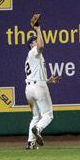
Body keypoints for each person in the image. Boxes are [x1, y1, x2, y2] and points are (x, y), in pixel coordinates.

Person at [24, 21, 60, 150]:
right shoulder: (34, 51)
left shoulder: (31, 58)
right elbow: (41, 46)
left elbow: (36, 75)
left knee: (35, 116)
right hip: (38, 88)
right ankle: (38, 129)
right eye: (34, 40)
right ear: (31, 44)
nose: (37, 41)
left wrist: (49, 80)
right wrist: (38, 29)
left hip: (29, 89)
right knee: (48, 115)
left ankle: (30, 143)